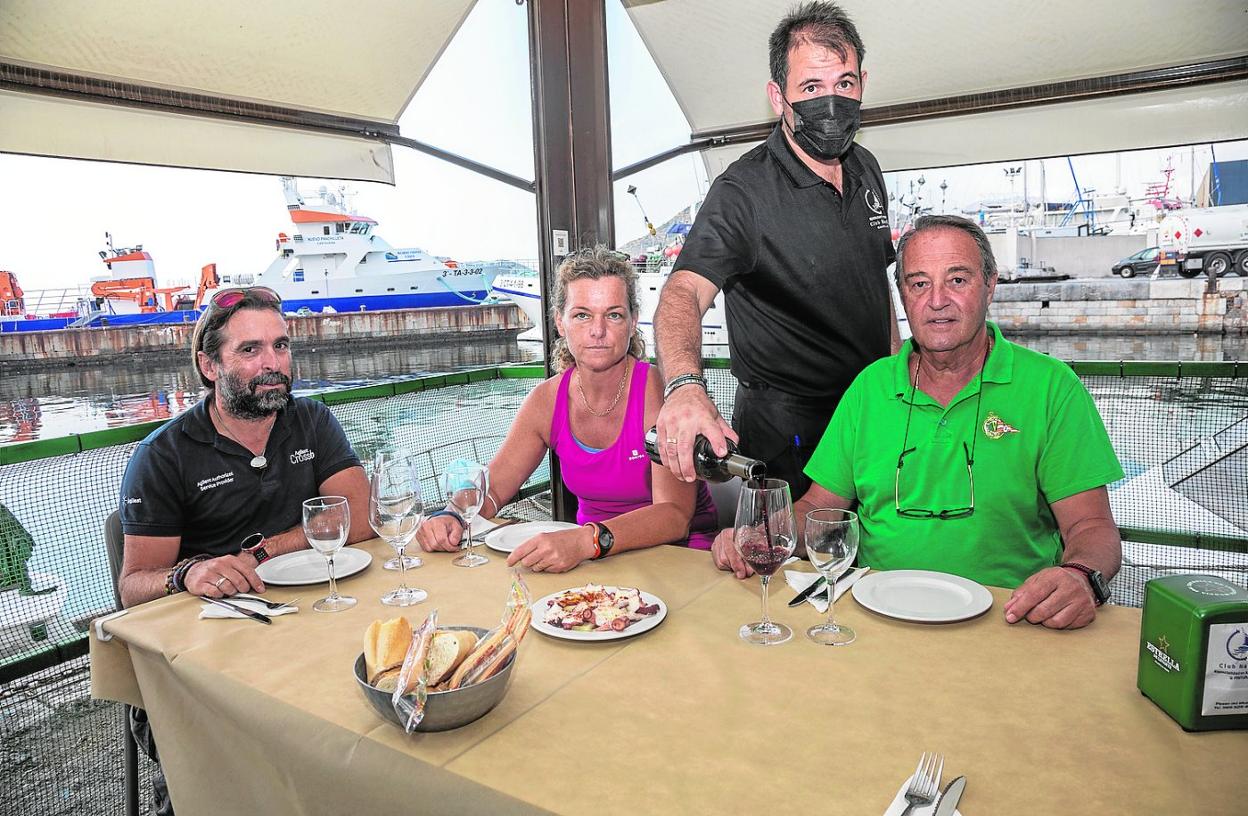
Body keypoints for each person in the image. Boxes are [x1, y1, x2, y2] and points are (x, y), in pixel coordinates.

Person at [714, 215, 1124, 630]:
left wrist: (1080, 576)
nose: (937, 300)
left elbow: (1090, 526)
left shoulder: (1051, 388)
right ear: (903, 297)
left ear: (990, 286)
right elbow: (820, 507)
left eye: (958, 280)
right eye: (919, 283)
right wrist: (761, 535)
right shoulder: (871, 387)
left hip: (1012, 620)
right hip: (876, 616)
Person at [116, 287, 370, 814]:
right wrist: (187, 574)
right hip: (209, 658)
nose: (273, 364)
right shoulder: (164, 455)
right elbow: (135, 583)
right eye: (251, 351)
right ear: (209, 365)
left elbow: (359, 518)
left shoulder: (313, 421)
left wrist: (264, 552)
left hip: (309, 628)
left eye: (280, 347)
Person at [653, 1, 899, 498]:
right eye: (811, 88)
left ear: (862, 83)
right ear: (778, 96)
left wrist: (898, 378)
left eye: (844, 85)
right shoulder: (742, 191)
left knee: (877, 561)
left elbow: (878, 283)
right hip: (787, 431)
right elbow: (681, 294)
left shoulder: (867, 167)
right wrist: (684, 386)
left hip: (872, 414)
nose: (831, 102)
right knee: (789, 565)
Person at [417, 247, 717, 572]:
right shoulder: (546, 400)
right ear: (560, 322)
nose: (597, 330)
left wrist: (588, 541)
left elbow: (674, 515)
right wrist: (452, 513)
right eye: (582, 315)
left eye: (613, 315)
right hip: (592, 564)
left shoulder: (659, 392)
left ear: (632, 322)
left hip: (680, 560)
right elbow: (494, 487)